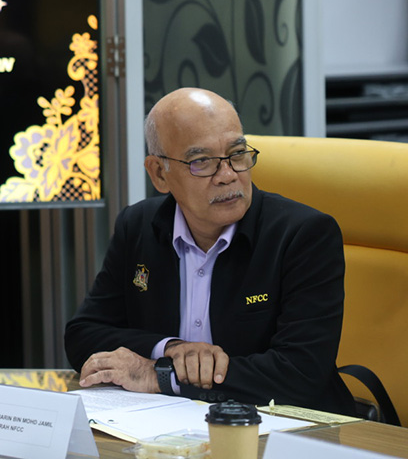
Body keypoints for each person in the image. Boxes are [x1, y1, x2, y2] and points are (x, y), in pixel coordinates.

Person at [64, 87, 356, 414]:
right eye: (202, 162)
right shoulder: (138, 226)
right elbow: (83, 335)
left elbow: (300, 373)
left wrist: (160, 375)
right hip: (168, 422)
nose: (228, 176)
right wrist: (171, 349)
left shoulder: (304, 234)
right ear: (159, 173)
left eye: (237, 154)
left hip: (288, 427)